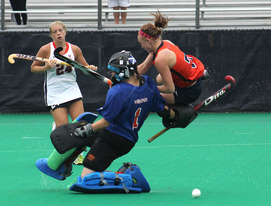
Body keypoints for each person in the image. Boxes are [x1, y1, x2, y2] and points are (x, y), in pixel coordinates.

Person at [50, 50, 198, 192]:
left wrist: (85, 129)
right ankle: (65, 165)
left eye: (114, 71)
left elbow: (106, 121)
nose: (111, 74)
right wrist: (177, 117)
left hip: (113, 138)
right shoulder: (148, 83)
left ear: (124, 72)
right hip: (126, 139)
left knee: (86, 177)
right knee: (83, 137)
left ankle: (129, 177)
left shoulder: (117, 92)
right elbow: (162, 110)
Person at [31, 21, 97, 178]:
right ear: (51, 34)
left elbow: (84, 68)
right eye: (55, 31)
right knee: (65, 131)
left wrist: (90, 69)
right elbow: (34, 68)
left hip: (72, 91)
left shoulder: (74, 49)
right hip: (55, 93)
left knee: (80, 125)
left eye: (60, 30)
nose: (58, 33)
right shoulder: (46, 49)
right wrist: (47, 67)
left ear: (65, 32)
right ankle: (60, 139)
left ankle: (79, 155)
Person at [137, 11, 207, 106]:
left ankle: (176, 115)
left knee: (150, 98)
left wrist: (148, 88)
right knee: (159, 79)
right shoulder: (165, 43)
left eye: (142, 43)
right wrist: (125, 78)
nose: (142, 46)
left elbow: (170, 88)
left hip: (189, 92)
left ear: (148, 41)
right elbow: (143, 67)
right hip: (190, 79)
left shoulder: (160, 59)